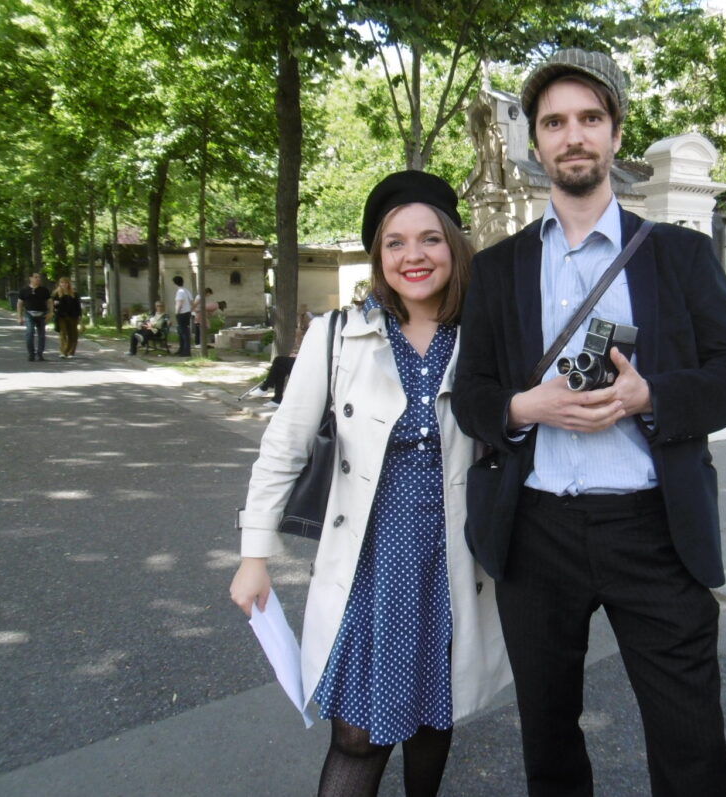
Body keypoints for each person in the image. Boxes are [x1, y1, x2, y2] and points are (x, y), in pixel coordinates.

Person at [451, 49, 726, 797]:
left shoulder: (680, 256)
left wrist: (647, 397)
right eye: (554, 122)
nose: (573, 136)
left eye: (590, 118)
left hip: (654, 529)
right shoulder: (497, 270)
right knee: (550, 744)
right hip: (537, 532)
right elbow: (471, 396)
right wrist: (526, 407)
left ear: (616, 134)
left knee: (690, 742)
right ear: (536, 143)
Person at [230, 171, 510, 797]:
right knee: (357, 736)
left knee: (437, 716)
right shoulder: (338, 336)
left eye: (431, 239)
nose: (414, 256)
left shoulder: (485, 338)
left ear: (454, 246)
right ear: (379, 257)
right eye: (395, 243)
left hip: (453, 562)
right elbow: (282, 447)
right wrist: (254, 558)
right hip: (368, 568)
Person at [241, 304, 316, 407]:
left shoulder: (314, 334)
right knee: (280, 367)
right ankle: (276, 399)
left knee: (279, 361)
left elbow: (312, 353)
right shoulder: (300, 333)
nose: (300, 324)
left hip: (309, 366)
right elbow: (299, 350)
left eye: (301, 320)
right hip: (302, 362)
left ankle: (266, 387)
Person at [16, 272, 53, 362]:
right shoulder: (24, 290)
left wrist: (51, 312)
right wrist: (19, 316)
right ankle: (31, 354)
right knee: (30, 333)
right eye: (36, 277)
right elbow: (20, 303)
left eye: (39, 277)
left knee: (42, 335)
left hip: (42, 314)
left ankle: (40, 354)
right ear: (30, 278)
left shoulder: (44, 290)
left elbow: (50, 301)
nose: (38, 279)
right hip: (29, 314)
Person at [52, 276, 83, 358]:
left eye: (66, 283)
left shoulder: (74, 294)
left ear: (69, 284)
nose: (64, 285)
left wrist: (79, 315)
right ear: (60, 284)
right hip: (61, 316)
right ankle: (63, 351)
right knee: (63, 333)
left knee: (73, 334)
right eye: (62, 283)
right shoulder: (56, 294)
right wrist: (54, 307)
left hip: (73, 316)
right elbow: (53, 305)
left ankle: (70, 352)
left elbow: (78, 306)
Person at [172, 275, 193, 357]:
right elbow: (192, 302)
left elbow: (179, 303)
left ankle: (186, 351)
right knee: (183, 332)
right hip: (187, 313)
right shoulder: (186, 291)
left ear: (175, 283)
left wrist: (176, 313)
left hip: (181, 314)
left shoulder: (180, 292)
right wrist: (191, 310)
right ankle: (182, 349)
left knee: (183, 333)